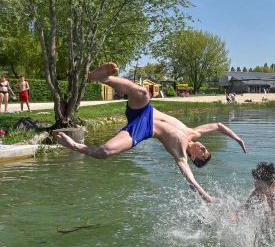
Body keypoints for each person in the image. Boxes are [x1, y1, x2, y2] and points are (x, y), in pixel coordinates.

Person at [56, 62, 246, 202]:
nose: (204, 148)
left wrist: (208, 197)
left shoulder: (180, 154)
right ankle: (103, 78)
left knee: (104, 152)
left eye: (203, 153)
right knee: (143, 93)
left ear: (194, 158)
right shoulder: (193, 133)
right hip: (144, 111)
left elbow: (191, 182)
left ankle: (73, 145)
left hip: (142, 128)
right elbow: (219, 126)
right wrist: (238, 139)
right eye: (206, 149)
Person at [233, 162, 275, 227]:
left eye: (260, 187)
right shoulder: (257, 192)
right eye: (256, 186)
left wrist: (266, 207)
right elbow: (245, 207)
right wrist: (234, 215)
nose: (257, 190)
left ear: (273, 184)